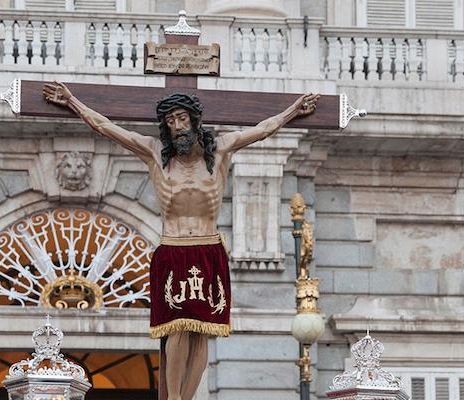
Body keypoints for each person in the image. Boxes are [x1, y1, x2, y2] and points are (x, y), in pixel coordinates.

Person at [43, 82, 319, 400]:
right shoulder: (155, 155)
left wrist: (293, 110)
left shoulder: (222, 150)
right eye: (170, 121)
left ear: (194, 119)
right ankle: (173, 398)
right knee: (176, 326)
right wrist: (73, 102)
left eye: (181, 118)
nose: (176, 126)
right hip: (172, 248)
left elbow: (263, 129)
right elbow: (106, 127)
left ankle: (186, 397)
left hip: (208, 247)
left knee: (201, 329)